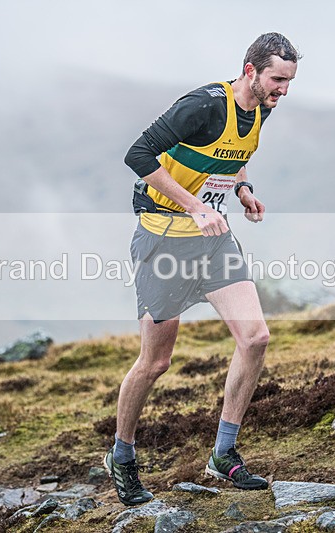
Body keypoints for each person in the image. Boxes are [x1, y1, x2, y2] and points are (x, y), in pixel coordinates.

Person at [104, 32, 301, 506]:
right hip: (164, 238)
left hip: (214, 242)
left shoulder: (262, 108)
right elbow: (137, 156)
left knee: (255, 338)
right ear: (250, 70)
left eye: (290, 81)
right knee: (156, 362)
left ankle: (224, 454)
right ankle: (122, 454)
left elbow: (233, 157)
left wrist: (243, 190)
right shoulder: (203, 105)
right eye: (277, 79)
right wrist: (195, 206)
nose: (284, 91)